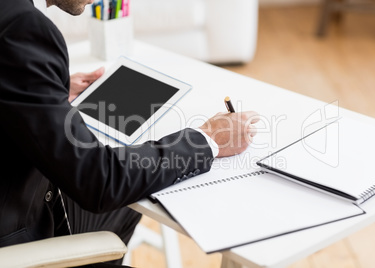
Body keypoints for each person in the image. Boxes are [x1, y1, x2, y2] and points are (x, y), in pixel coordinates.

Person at [0, 0, 259, 266]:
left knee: (128, 204)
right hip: (14, 240)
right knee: (126, 194)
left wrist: (45, 89)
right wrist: (206, 140)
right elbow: (100, 179)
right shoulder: (21, 29)